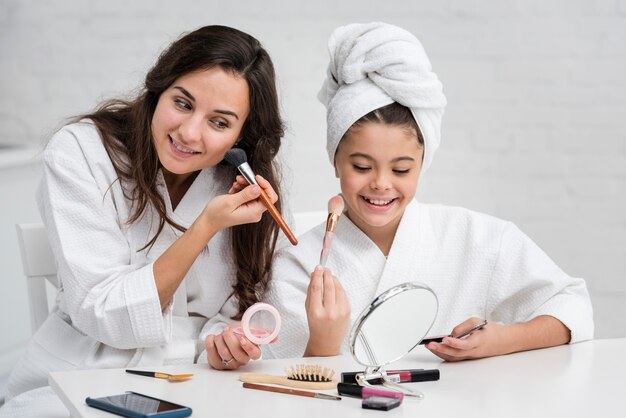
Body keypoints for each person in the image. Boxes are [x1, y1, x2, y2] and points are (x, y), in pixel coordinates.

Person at [262, 22, 594, 362]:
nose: (381, 183)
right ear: (335, 161)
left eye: (401, 169)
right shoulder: (298, 264)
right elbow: (276, 387)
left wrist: (503, 339)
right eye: (361, 167)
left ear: (422, 163)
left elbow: (573, 305)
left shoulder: (475, 239)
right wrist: (322, 344)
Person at [1, 25, 285, 416]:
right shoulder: (82, 152)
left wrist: (223, 343)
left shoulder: (237, 186)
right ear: (159, 88)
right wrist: (205, 227)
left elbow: (231, 310)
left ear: (241, 135)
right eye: (183, 103)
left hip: (194, 381)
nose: (189, 133)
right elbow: (104, 314)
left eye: (219, 123)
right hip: (81, 377)